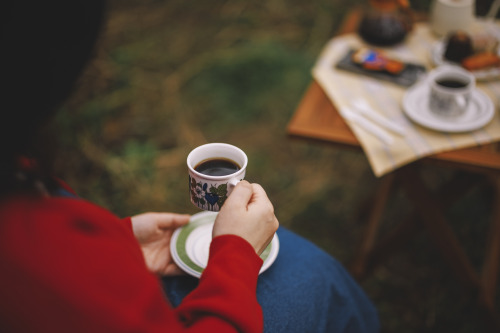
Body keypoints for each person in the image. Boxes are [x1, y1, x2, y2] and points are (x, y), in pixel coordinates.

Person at [0, 1, 380, 332]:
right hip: (224, 293)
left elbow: (64, 268)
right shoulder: (24, 260)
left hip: (145, 264)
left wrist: (122, 239)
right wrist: (236, 253)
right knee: (316, 273)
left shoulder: (20, 209)